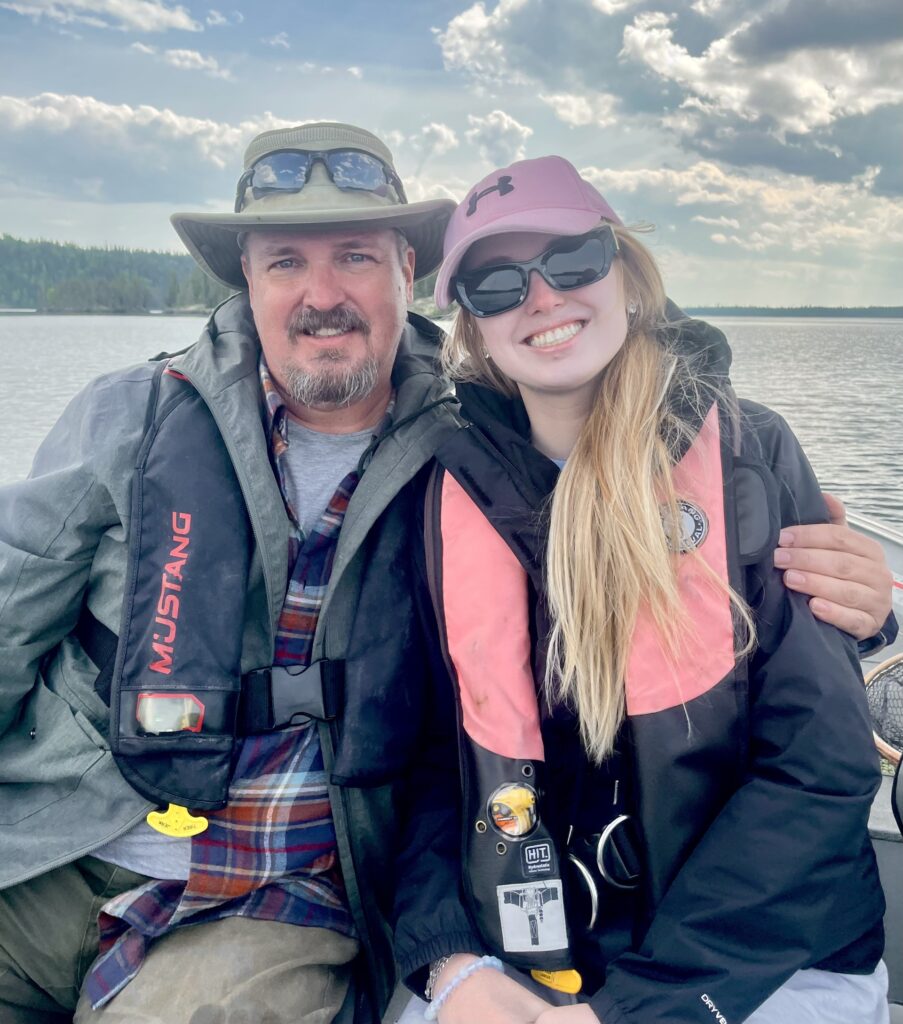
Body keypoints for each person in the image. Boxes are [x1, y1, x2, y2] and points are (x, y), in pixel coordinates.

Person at [0, 125, 892, 1024]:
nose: (321, 295)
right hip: (51, 853)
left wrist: (863, 612)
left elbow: (802, 744)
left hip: (283, 901)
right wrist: (450, 960)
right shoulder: (137, 417)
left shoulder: (501, 449)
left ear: (407, 274)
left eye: (355, 256)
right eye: (284, 263)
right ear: (246, 280)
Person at [391, 156, 896, 1024]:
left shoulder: (749, 457)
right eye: (496, 284)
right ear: (472, 327)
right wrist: (448, 963)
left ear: (627, 277)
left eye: (572, 259)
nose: (541, 297)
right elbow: (434, 760)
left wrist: (635, 1009)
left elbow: (817, 768)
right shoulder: (445, 493)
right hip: (528, 963)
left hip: (766, 966)